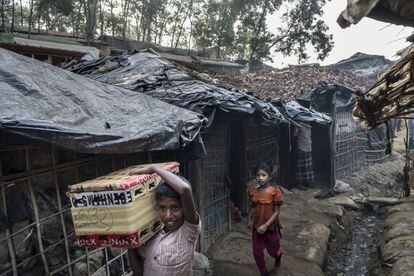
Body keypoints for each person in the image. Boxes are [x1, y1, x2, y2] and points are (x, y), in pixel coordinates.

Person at [127, 164, 201, 276]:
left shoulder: (188, 232)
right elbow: (138, 273)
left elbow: (185, 189)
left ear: (184, 207)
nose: (168, 215)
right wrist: (130, 243)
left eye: (175, 208)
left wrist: (154, 169)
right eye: (162, 208)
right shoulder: (152, 234)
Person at [248, 162, 283, 276]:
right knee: (257, 252)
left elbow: (276, 212)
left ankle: (278, 257)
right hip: (257, 228)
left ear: (270, 177)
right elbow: (253, 208)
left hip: (271, 229)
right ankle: (264, 272)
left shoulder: (275, 192)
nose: (260, 178)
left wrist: (266, 225)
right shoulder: (253, 191)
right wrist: (249, 220)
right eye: (258, 175)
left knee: (274, 252)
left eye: (264, 175)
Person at [293, 123, 314, 188]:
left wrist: (307, 127)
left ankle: (308, 183)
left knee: (308, 167)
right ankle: (299, 184)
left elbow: (309, 136)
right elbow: (294, 134)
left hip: (308, 148)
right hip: (301, 148)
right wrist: (297, 127)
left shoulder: (309, 127)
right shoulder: (298, 125)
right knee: (300, 167)